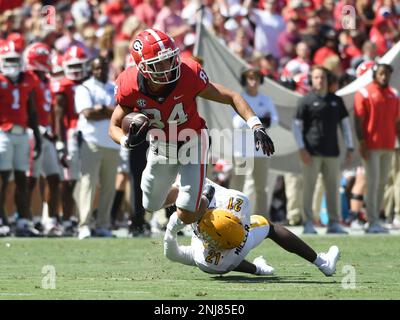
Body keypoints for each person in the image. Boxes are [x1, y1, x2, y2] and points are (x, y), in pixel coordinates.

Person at [109, 28, 274, 228]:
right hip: (162, 144)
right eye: (159, 63)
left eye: (169, 59)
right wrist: (126, 141)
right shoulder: (128, 85)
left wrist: (256, 125)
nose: (168, 66)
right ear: (143, 67)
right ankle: (194, 191)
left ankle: (204, 197)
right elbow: (114, 126)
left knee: (187, 213)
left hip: (193, 139)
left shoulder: (188, 73)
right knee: (151, 205)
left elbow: (231, 96)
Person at [163, 179, 340, 277]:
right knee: (268, 227)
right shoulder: (237, 201)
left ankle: (258, 269)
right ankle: (322, 263)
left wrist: (171, 228)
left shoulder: (206, 261)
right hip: (239, 238)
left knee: (223, 262)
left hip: (216, 257)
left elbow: (172, 254)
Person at [292, 65, 353, 234]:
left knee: (333, 188)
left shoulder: (336, 100)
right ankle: (308, 223)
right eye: (317, 77)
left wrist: (350, 146)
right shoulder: (305, 100)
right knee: (309, 189)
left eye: (323, 77)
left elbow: (345, 125)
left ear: (327, 80)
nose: (320, 80)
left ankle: (334, 223)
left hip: (332, 152)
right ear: (312, 80)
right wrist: (301, 149)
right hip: (310, 152)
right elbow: (296, 126)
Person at [74, 57, 119, 239]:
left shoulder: (113, 87)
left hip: (111, 142)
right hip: (90, 141)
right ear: (91, 70)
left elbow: (120, 112)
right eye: (96, 68)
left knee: (108, 186)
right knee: (88, 184)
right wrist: (107, 111)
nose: (99, 71)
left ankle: (103, 224)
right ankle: (84, 224)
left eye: (102, 68)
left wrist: (101, 109)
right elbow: (87, 113)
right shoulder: (84, 88)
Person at [0, 41, 42, 237]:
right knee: (3, 179)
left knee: (22, 179)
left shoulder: (28, 79)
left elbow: (32, 111)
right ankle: (2, 219)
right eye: (8, 60)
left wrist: (38, 138)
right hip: (3, 133)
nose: (12, 64)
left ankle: (23, 221)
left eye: (15, 60)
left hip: (22, 134)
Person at [354, 63, 400, 233]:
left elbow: (397, 122)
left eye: (386, 74)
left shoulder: (394, 94)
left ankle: (376, 219)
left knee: (382, 183)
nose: (384, 77)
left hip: (388, 145)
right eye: (381, 73)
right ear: (374, 74)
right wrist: (362, 143)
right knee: (372, 183)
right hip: (371, 146)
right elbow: (358, 121)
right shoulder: (364, 92)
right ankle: (371, 220)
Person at [24, 42, 62, 237]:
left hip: (47, 134)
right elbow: (28, 109)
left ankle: (51, 220)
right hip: (33, 133)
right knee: (31, 179)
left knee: (54, 178)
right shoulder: (30, 79)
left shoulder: (46, 80)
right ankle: (29, 218)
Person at [51, 45, 90, 232]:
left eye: (79, 65)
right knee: (68, 180)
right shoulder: (63, 85)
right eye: (72, 65)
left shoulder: (90, 82)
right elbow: (59, 116)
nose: (75, 70)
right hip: (71, 134)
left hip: (88, 133)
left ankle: (81, 218)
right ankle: (65, 219)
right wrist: (60, 143)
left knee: (88, 180)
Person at [231, 67, 279, 215]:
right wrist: (260, 120)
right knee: (237, 186)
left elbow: (275, 120)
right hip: (242, 150)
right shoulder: (238, 98)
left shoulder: (266, 99)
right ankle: (232, 215)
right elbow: (236, 123)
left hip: (261, 150)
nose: (253, 82)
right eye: (250, 78)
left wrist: (251, 119)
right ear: (245, 81)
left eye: (256, 78)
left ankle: (262, 219)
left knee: (261, 188)